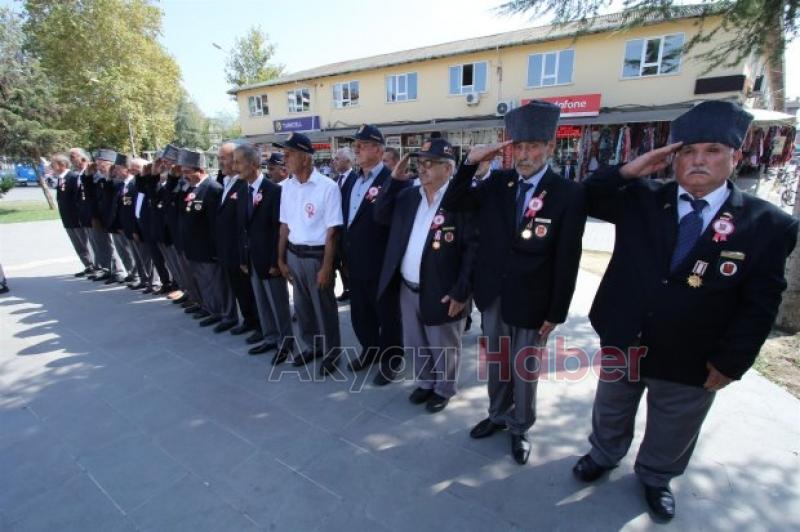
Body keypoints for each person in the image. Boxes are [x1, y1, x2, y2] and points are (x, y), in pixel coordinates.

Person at [572, 100, 799, 521]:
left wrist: (732, 361)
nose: (698, 161)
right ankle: (603, 455)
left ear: (736, 155)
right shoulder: (641, 197)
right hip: (626, 335)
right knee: (612, 405)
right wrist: (632, 168)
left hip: (695, 351)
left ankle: (657, 476)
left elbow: (761, 302)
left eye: (712, 150)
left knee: (675, 421)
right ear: (673, 158)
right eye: (688, 152)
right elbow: (586, 196)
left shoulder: (767, 224)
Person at [449, 100, 588, 465]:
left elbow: (568, 259)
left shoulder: (567, 194)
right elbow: (454, 202)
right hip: (493, 296)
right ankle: (497, 414)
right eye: (519, 147)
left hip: (533, 300)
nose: (525, 155)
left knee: (524, 370)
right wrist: (470, 162)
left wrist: (556, 311)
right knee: (497, 363)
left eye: (533, 146)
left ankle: (520, 425)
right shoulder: (498, 182)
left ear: (550, 147)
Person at [375, 137, 477, 412]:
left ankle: (444, 389)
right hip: (408, 287)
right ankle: (426, 383)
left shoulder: (461, 200)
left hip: (443, 289)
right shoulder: (409, 194)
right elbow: (380, 215)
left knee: (443, 344)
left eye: (431, 163)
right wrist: (393, 181)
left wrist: (462, 291)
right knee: (416, 340)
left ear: (449, 168)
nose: (423, 168)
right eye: (421, 163)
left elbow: (472, 249)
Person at [338, 124, 406, 384]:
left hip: (381, 263)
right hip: (354, 262)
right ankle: (370, 348)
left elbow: (398, 226)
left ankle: (392, 358)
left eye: (363, 144)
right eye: (356, 144)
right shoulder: (353, 181)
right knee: (360, 313)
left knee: (387, 315)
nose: (357, 148)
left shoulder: (393, 180)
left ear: (378, 150)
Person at [274, 133, 342, 370]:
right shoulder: (287, 187)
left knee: (324, 308)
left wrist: (326, 267)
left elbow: (332, 232)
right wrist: (281, 260)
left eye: (288, 154)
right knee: (302, 307)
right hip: (294, 255)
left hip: (317, 257)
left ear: (305, 158)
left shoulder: (328, 187)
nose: (285, 159)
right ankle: (312, 346)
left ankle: (332, 352)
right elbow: (284, 226)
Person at [234, 144, 294, 363]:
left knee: (278, 303)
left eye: (238, 161)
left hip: (270, 259)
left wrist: (276, 261)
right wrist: (243, 258)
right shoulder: (241, 190)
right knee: (262, 302)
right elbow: (241, 228)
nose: (235, 166)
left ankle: (286, 341)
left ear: (253, 163)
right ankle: (270, 337)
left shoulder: (273, 191)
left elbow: (279, 230)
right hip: (251, 260)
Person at [177, 148, 232, 328]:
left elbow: (215, 224)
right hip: (195, 247)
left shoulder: (212, 188)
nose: (184, 176)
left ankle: (225, 314)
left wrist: (217, 250)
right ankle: (211, 309)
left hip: (208, 248)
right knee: (204, 282)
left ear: (199, 170)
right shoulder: (193, 188)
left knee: (217, 284)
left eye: (187, 172)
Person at [215, 142, 260, 336]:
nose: (220, 162)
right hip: (228, 248)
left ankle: (260, 324)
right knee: (239, 288)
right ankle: (249, 320)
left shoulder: (244, 184)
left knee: (250, 290)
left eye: (223, 158)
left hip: (242, 249)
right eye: (219, 158)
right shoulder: (225, 182)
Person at [51, 153, 93, 276]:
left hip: (76, 217)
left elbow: (78, 198)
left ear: (62, 165)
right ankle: (88, 265)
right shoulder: (61, 178)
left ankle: (94, 265)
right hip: (67, 217)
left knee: (85, 243)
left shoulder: (73, 177)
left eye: (53, 165)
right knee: (77, 244)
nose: (51, 167)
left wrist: (80, 216)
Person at [331, 147, 356, 302]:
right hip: (336, 228)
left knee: (349, 261)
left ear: (348, 161)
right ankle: (347, 288)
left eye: (337, 159)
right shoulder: (334, 181)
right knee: (340, 261)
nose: (334, 162)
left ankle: (354, 289)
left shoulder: (356, 179)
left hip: (348, 229)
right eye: (334, 159)